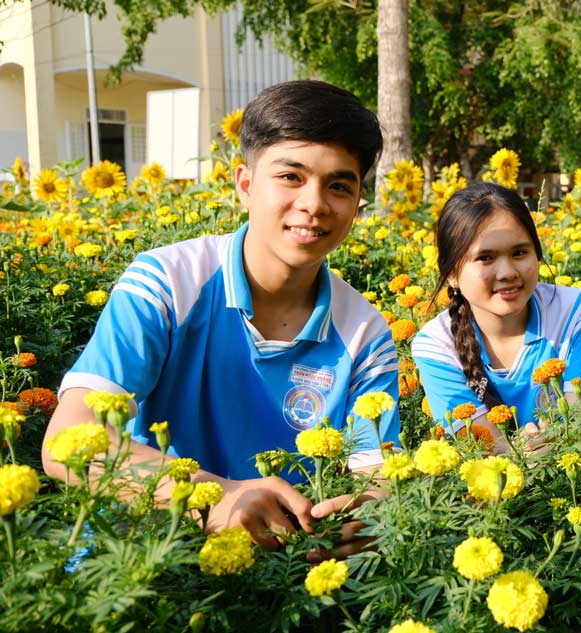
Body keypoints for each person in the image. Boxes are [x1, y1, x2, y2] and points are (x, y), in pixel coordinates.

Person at [42, 80, 399, 556]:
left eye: (338, 185)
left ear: (357, 205)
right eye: (291, 177)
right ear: (245, 185)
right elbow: (69, 441)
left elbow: (376, 475)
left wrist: (367, 511)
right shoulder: (168, 282)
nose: (314, 204)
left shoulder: (365, 333)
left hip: (286, 571)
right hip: (145, 564)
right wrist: (218, 498)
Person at [412, 183, 581, 450]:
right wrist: (533, 455)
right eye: (485, 258)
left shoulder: (578, 314)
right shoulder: (436, 347)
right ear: (451, 273)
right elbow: (488, 453)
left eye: (519, 253)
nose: (507, 272)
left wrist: (554, 446)